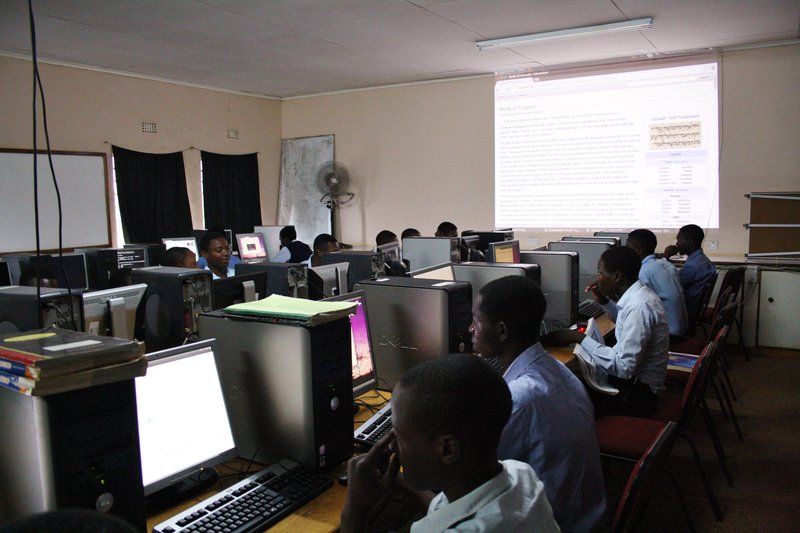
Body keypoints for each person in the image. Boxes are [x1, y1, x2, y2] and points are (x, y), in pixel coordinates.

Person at [341, 354, 559, 533]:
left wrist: (355, 510)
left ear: (447, 449)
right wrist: (400, 480)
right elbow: (451, 512)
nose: (392, 448)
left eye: (398, 437)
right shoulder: (521, 474)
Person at [472, 276, 605, 532]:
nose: (470, 329)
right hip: (586, 515)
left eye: (476, 321)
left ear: (501, 331)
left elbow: (473, 479)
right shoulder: (560, 371)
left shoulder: (520, 399)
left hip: (556, 524)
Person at [548, 246, 670, 418]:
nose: (597, 278)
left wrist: (578, 337)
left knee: (565, 391)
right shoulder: (640, 296)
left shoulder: (639, 308)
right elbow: (623, 322)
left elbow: (624, 367)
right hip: (635, 384)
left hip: (637, 396)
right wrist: (604, 301)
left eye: (600, 273)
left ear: (617, 276)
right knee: (574, 375)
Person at [625, 229, 688, 338]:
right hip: (681, 326)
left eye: (628, 247)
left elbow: (635, 308)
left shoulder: (643, 272)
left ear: (639, 250)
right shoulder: (666, 264)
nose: (625, 251)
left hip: (669, 334)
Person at [663, 224, 717, 321]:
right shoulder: (700, 260)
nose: (677, 244)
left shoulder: (694, 265)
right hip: (694, 306)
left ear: (690, 242)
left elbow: (671, 285)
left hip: (687, 310)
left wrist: (666, 257)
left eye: (679, 240)